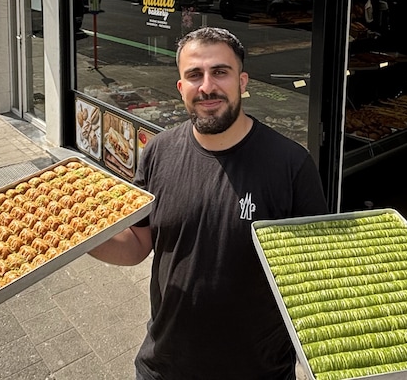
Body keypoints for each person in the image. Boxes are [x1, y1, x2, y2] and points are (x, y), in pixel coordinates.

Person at [89, 27, 328, 380]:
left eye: (220, 72)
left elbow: (315, 274)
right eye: (194, 75)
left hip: (259, 370)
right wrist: (74, 239)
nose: (207, 87)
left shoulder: (291, 164)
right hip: (165, 365)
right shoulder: (158, 151)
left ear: (243, 81)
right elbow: (138, 244)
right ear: (181, 88)